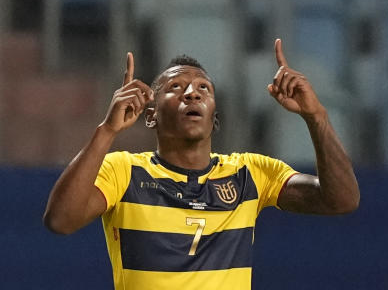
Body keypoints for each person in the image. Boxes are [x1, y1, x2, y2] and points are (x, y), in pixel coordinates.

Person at [43, 38, 360, 289]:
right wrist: (107, 130)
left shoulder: (250, 174)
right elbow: (60, 221)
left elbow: (341, 200)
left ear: (214, 117)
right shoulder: (124, 171)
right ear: (151, 115)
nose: (192, 93)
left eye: (203, 88)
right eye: (175, 88)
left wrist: (316, 116)